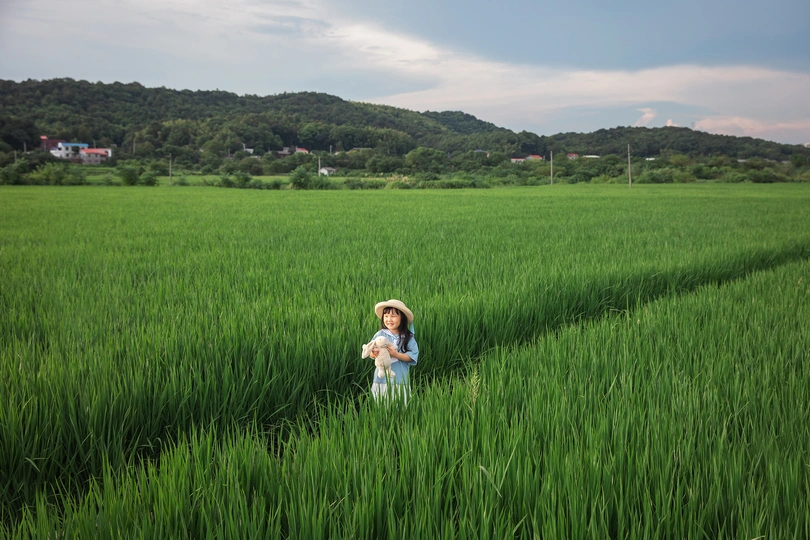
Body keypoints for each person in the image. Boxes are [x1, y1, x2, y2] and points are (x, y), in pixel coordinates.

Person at [369, 299, 418, 404]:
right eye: (386, 316)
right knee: (381, 405)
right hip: (381, 378)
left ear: (402, 318)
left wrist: (396, 355)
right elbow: (371, 352)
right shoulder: (380, 335)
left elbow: (412, 356)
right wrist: (373, 354)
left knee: (400, 406)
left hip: (400, 379)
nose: (389, 319)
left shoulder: (408, 337)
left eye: (393, 316)